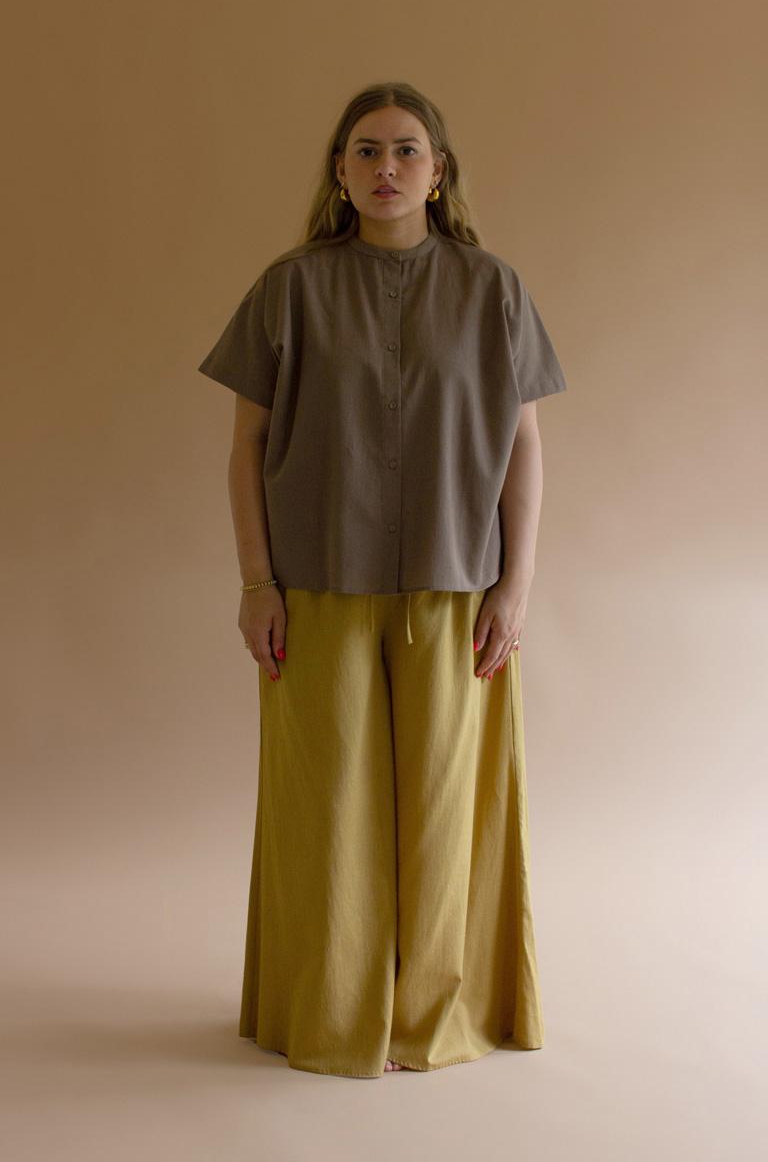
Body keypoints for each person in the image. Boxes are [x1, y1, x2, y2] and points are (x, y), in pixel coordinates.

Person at [197, 80, 567, 1079]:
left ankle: (435, 1014)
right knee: (324, 814)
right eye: (366, 150)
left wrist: (515, 586)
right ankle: (327, 1012)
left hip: (455, 588)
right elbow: (246, 448)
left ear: (438, 172)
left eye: (406, 150)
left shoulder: (491, 289)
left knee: (446, 812)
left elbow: (524, 446)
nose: (386, 167)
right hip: (317, 587)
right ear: (339, 171)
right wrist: (255, 584)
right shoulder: (289, 289)